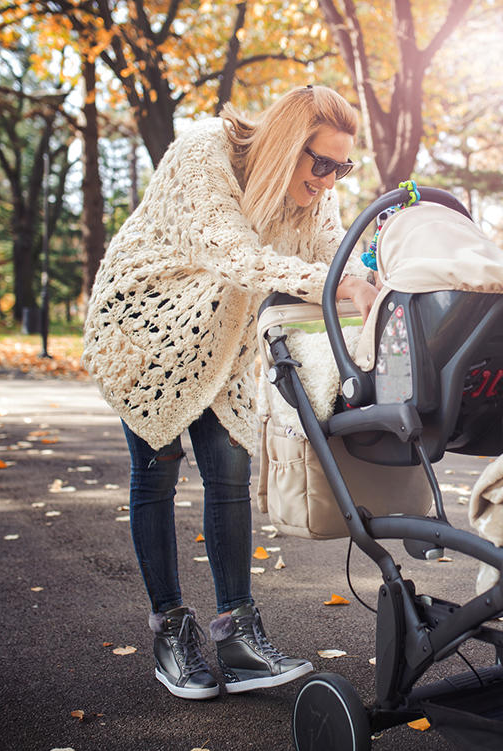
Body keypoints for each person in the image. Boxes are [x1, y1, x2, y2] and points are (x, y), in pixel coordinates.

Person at [82, 85, 378, 700]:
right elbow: (233, 252)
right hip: (149, 325)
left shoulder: (316, 196)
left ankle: (239, 637)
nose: (329, 179)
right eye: (320, 162)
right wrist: (338, 282)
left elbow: (334, 261)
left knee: (229, 472)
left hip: (227, 338)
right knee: (157, 472)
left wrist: (372, 283)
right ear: (285, 145)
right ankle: (170, 630)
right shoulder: (203, 151)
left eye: (341, 166)